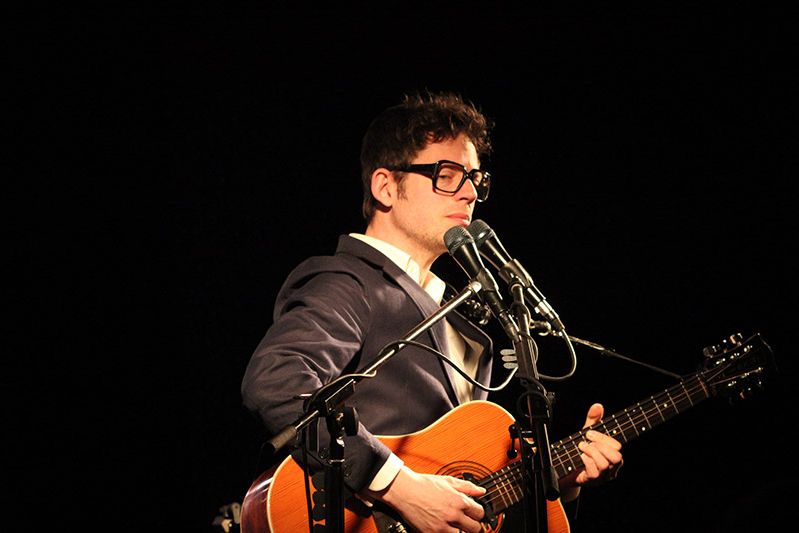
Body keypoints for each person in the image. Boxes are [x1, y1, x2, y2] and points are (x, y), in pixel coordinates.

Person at [241, 91, 623, 533]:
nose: (470, 193)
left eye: (475, 178)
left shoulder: (461, 313)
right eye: (447, 175)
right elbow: (276, 381)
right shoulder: (348, 281)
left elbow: (472, 485)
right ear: (385, 187)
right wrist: (399, 487)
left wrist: (559, 482)